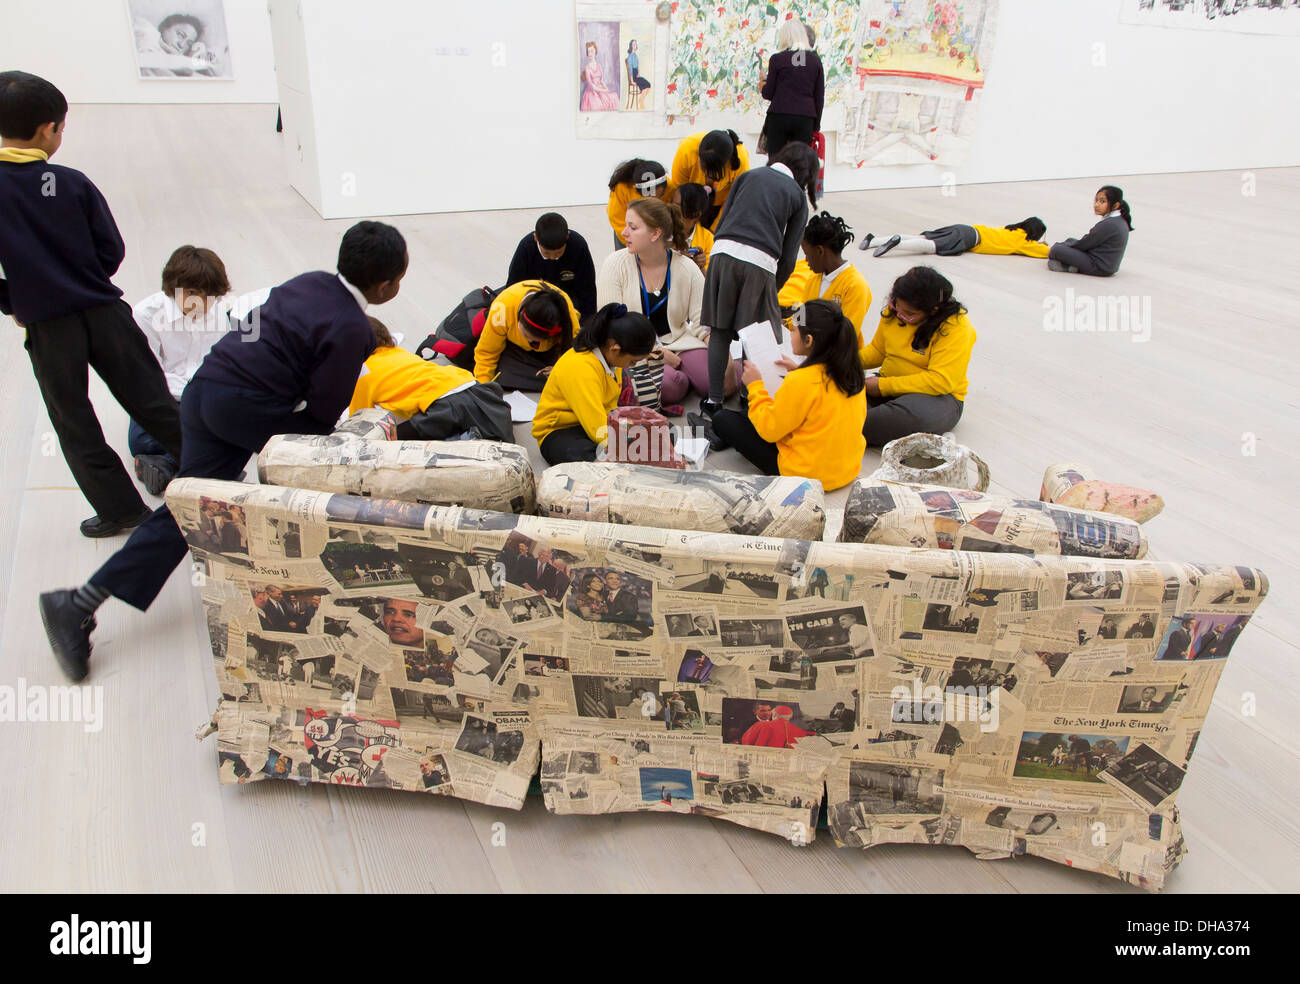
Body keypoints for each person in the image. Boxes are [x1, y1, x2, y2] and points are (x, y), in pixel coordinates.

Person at [40, 221, 408, 682]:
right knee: (318, 459)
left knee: (190, 509)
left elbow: (251, 330)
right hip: (241, 409)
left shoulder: (307, 281)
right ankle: (310, 587)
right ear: (386, 284)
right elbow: (320, 414)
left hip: (205, 390)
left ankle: (78, 603)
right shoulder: (352, 327)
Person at [0, 71, 182, 537]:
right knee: (153, 401)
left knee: (75, 423)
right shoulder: (70, 182)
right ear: (48, 130)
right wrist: (81, 280)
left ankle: (122, 510)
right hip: (105, 313)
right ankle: (215, 472)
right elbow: (112, 251)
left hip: (47, 327)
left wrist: (16, 300)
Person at [691, 141, 820, 420]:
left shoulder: (748, 176)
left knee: (720, 332)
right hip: (760, 263)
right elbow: (788, 254)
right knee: (760, 335)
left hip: (723, 253)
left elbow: (722, 220)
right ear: (807, 174)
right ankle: (751, 398)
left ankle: (713, 402)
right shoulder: (797, 197)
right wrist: (772, 290)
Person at [129, 246, 270, 495]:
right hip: (163, 398)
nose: (201, 304)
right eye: (192, 293)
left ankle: (168, 464)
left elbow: (241, 365)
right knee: (143, 439)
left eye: (209, 296)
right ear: (173, 289)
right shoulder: (145, 314)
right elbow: (147, 377)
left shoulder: (230, 311)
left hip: (208, 397)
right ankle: (212, 466)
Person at [706, 299, 866, 492]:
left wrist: (755, 386)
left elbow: (769, 431)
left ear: (809, 341)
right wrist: (798, 369)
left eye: (793, 329)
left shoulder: (801, 381)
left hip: (806, 476)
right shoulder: (853, 374)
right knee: (756, 410)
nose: (790, 333)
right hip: (846, 470)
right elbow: (822, 397)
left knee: (723, 419)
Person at [598, 196, 735, 408]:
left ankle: (696, 372)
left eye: (632, 227)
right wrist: (657, 353)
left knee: (716, 382)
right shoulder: (615, 264)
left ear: (655, 233)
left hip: (680, 342)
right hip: (633, 349)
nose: (624, 232)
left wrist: (722, 354)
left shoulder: (685, 267)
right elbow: (611, 325)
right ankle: (682, 375)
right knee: (672, 386)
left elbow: (703, 320)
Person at [858, 266, 975, 447]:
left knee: (889, 418)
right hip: (887, 384)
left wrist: (882, 386)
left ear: (933, 310)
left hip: (936, 397)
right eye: (897, 307)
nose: (901, 315)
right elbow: (877, 351)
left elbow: (940, 381)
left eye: (910, 314)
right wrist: (844, 361)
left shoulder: (956, 327)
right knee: (832, 397)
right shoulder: (896, 310)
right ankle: (846, 424)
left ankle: (846, 426)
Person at [349, 316, 512, 442]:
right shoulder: (398, 352)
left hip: (445, 407)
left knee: (390, 440)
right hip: (476, 390)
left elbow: (358, 422)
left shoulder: (363, 371)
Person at [531, 303, 657, 464]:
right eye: (632, 361)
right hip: (559, 432)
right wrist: (633, 447)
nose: (631, 366)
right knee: (592, 458)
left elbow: (609, 411)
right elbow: (596, 427)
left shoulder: (612, 359)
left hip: (595, 423)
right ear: (615, 348)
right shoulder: (580, 367)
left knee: (661, 431)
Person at [778, 211, 872, 345]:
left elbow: (845, 338)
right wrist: (784, 324)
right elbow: (802, 317)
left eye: (807, 254)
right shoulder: (813, 279)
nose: (806, 261)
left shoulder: (855, 285)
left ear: (820, 251)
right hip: (809, 350)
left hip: (835, 359)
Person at [472, 280, 580, 392]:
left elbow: (575, 355)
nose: (529, 341)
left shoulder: (568, 319)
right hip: (512, 348)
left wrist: (560, 369)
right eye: (525, 334)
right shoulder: (503, 308)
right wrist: (484, 388)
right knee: (499, 374)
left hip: (548, 354)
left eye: (535, 340)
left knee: (564, 380)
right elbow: (486, 352)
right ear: (520, 315)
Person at [505, 212, 596, 320]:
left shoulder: (578, 246)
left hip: (569, 303)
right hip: (534, 303)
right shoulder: (526, 248)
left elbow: (588, 290)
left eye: (558, 253)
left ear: (567, 236)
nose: (552, 258)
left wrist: (585, 327)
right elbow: (513, 287)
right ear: (536, 238)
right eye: (547, 253)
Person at [760, 18, 824, 162]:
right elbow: (819, 97)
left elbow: (768, 93)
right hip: (804, 119)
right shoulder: (815, 60)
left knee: (776, 164)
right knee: (799, 165)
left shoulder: (777, 59)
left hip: (779, 116)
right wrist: (816, 125)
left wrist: (763, 84)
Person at [670, 129, 750, 231]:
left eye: (714, 172)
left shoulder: (740, 159)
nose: (708, 177)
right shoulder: (687, 151)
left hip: (721, 209)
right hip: (690, 206)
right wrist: (690, 228)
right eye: (704, 169)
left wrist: (712, 232)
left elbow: (734, 201)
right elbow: (679, 195)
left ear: (727, 163)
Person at [867, 217, 1050, 261]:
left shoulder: (1010, 229)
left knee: (923, 236)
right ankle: (898, 244)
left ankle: (873, 240)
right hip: (970, 239)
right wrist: (1042, 244)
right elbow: (1047, 252)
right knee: (933, 246)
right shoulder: (1023, 242)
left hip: (964, 228)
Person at [1048, 186, 1133, 276]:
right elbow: (1090, 241)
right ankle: (1070, 265)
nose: (1096, 205)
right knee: (1070, 240)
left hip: (1099, 267)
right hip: (1107, 265)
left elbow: (1084, 244)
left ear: (1115, 205)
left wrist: (1065, 247)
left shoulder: (1109, 224)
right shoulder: (1118, 219)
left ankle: (1069, 266)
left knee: (1056, 249)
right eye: (1096, 200)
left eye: (1102, 201)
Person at [607, 158, 671, 250]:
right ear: (636, 189)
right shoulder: (622, 188)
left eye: (659, 196)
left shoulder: (670, 186)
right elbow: (616, 219)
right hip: (626, 233)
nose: (653, 200)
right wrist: (639, 242)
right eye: (648, 195)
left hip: (657, 235)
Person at [673, 183, 714, 273]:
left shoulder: (707, 239)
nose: (673, 211)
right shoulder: (661, 231)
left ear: (696, 214)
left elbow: (708, 283)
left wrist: (700, 267)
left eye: (679, 207)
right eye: (673, 205)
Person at [579, 41, 619, 113]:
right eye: (589, 52)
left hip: (600, 88)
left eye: (592, 51)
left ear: (595, 51)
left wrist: (606, 87)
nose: (590, 53)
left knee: (614, 97)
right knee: (597, 105)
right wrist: (603, 90)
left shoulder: (599, 66)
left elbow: (602, 80)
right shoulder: (587, 68)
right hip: (592, 92)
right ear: (587, 54)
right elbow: (592, 86)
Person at [625, 40, 651, 110]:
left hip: (636, 75)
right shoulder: (630, 56)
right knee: (647, 85)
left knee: (648, 85)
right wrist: (632, 80)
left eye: (635, 44)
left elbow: (637, 66)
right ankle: (641, 101)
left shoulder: (635, 55)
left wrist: (638, 72)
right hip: (633, 77)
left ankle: (641, 100)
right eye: (633, 44)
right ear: (631, 46)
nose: (635, 45)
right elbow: (630, 69)